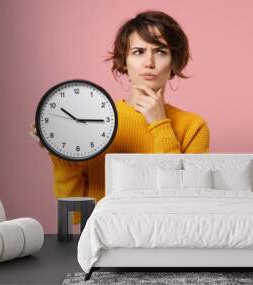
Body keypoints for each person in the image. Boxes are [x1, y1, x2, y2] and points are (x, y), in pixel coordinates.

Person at [29, 10, 210, 215]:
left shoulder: (193, 126)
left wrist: (160, 125)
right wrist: (60, 153)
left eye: (161, 51)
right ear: (124, 61)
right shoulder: (96, 120)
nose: (149, 63)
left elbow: (186, 204)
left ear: (174, 62)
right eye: (138, 52)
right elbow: (76, 215)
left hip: (166, 239)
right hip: (105, 238)